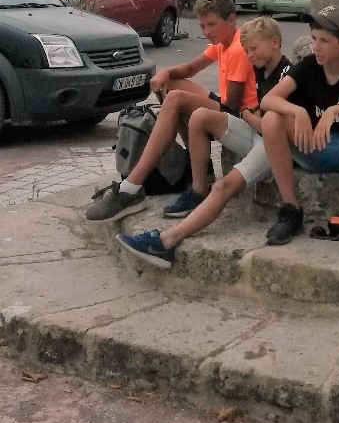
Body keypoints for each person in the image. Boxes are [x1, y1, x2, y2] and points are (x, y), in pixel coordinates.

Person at [115, 17, 290, 267]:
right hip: (256, 130)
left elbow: (267, 125)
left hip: (272, 144)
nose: (250, 55)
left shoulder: (287, 74)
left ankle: (166, 242)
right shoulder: (263, 68)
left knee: (224, 186)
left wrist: (248, 113)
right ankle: (198, 188)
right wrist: (250, 113)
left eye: (254, 49)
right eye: (248, 49)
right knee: (199, 117)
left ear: (275, 43)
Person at [84, 0, 255, 222]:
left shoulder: (237, 49)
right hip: (227, 108)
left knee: (176, 99)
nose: (207, 31)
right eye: (203, 26)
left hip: (242, 119)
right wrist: (165, 73)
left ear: (232, 20)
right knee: (171, 85)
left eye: (212, 25)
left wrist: (184, 103)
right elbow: (189, 70)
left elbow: (232, 107)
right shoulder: (223, 43)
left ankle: (131, 187)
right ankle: (200, 170)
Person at [260, 6, 339, 257]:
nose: (316, 47)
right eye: (313, 39)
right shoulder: (307, 66)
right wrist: (298, 112)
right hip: (312, 147)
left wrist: (333, 111)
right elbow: (268, 100)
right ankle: (290, 209)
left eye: (325, 41)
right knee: (272, 119)